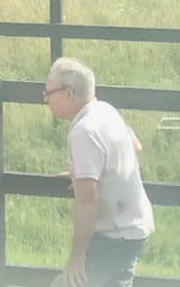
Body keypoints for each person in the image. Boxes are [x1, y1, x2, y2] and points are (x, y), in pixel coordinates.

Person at [45, 57, 154, 287]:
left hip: (116, 236)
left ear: (68, 93)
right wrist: (84, 173)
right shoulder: (106, 110)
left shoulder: (84, 130)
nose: (46, 100)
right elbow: (135, 146)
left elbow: (87, 200)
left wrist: (76, 258)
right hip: (135, 228)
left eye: (49, 92)